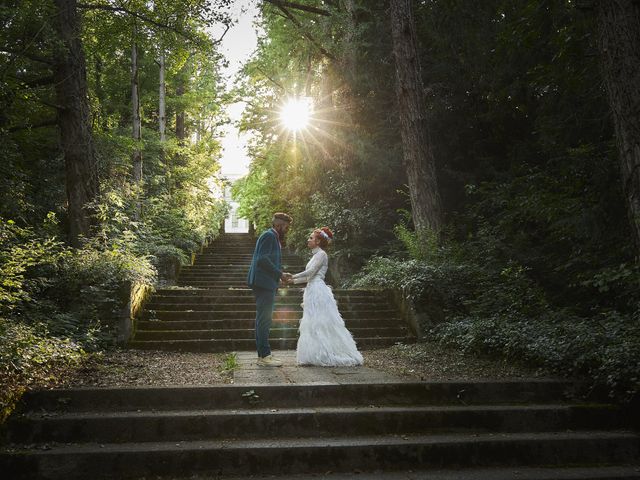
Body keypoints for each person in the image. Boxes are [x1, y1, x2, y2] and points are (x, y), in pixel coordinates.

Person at [287, 227, 363, 367]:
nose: (308, 240)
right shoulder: (315, 255)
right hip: (311, 289)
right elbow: (309, 277)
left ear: (318, 241)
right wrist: (291, 282)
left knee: (321, 322)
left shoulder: (322, 254)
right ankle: (314, 354)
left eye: (311, 238)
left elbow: (311, 271)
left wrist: (292, 276)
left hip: (318, 291)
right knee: (312, 322)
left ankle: (327, 353)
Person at [247, 213, 293, 366]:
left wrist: (280, 276)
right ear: (279, 225)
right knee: (264, 320)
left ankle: (264, 355)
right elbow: (262, 259)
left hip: (265, 282)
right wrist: (280, 274)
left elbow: (266, 260)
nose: (287, 230)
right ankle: (264, 356)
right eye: (286, 227)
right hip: (263, 283)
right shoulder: (269, 236)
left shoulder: (271, 237)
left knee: (263, 319)